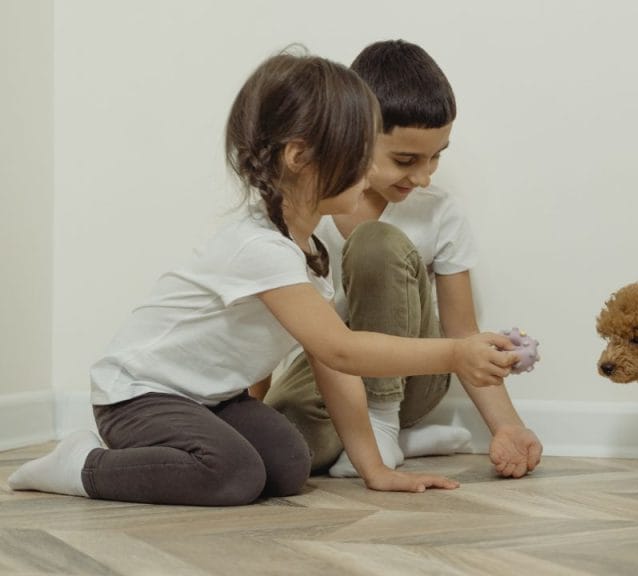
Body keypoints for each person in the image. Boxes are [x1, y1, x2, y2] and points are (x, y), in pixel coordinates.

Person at [7, 48, 519, 506]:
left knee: (289, 464)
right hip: (139, 394)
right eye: (360, 156)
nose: (369, 175)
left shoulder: (307, 249)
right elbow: (342, 350)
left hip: (210, 398)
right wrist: (454, 353)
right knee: (232, 475)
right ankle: (79, 464)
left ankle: (167, 451)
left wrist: (375, 470)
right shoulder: (258, 247)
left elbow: (331, 364)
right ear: (300, 157)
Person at [256, 40, 543, 480]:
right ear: (352, 136)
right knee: (283, 452)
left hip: (413, 380)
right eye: (406, 160)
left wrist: (508, 426)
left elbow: (461, 331)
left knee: (375, 242)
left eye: (436, 157)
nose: (424, 176)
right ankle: (397, 443)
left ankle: (385, 424)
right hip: (339, 367)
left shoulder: (439, 212)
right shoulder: (304, 213)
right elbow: (267, 324)